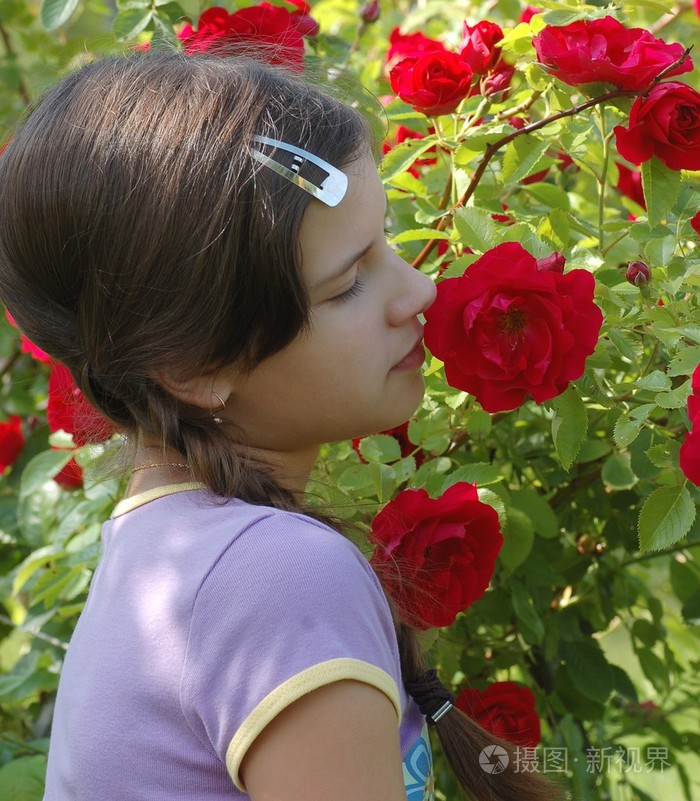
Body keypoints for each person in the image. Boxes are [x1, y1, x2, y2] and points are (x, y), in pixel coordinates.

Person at [0, 52, 561, 801]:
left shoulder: (174, 555)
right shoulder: (279, 578)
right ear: (191, 365)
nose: (419, 289)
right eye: (348, 283)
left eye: (385, 242)